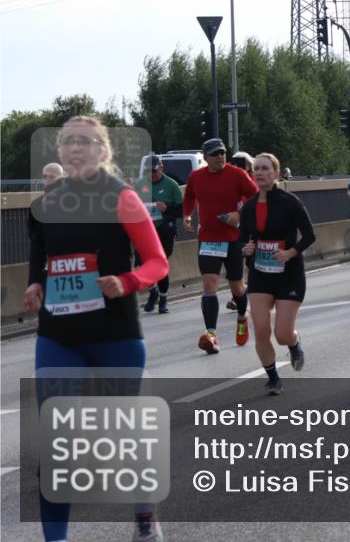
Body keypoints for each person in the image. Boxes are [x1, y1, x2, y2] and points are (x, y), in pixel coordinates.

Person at [25, 116, 169, 542]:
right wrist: (35, 284)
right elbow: (40, 256)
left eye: (85, 141)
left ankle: (144, 512)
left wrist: (127, 281)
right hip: (59, 334)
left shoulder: (122, 197)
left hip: (114, 334)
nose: (75, 148)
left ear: (103, 150)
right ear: (60, 151)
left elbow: (158, 262)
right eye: (68, 141)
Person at [239, 153, 315, 395]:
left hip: (289, 274)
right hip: (260, 274)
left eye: (265, 169)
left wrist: (290, 252)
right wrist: (246, 249)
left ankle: (294, 342)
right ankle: (273, 378)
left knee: (282, 334)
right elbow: (242, 239)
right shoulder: (249, 207)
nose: (260, 173)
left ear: (276, 173)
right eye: (256, 169)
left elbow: (310, 235)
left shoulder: (290, 202)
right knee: (261, 330)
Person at [182, 138, 259, 353]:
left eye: (223, 153)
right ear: (205, 157)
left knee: (237, 287)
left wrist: (239, 214)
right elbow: (189, 197)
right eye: (215, 154)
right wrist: (187, 215)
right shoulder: (196, 177)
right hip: (208, 239)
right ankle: (211, 335)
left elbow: (256, 197)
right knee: (209, 285)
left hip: (233, 239)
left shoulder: (237, 174)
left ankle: (242, 317)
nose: (220, 157)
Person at [135, 154, 183, 313]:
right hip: (146, 230)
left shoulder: (171, 185)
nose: (151, 175)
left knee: (160, 263)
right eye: (148, 172)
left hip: (165, 229)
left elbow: (182, 210)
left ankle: (163, 299)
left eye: (154, 171)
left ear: (161, 168)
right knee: (142, 263)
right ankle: (152, 292)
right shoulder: (140, 185)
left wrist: (167, 208)